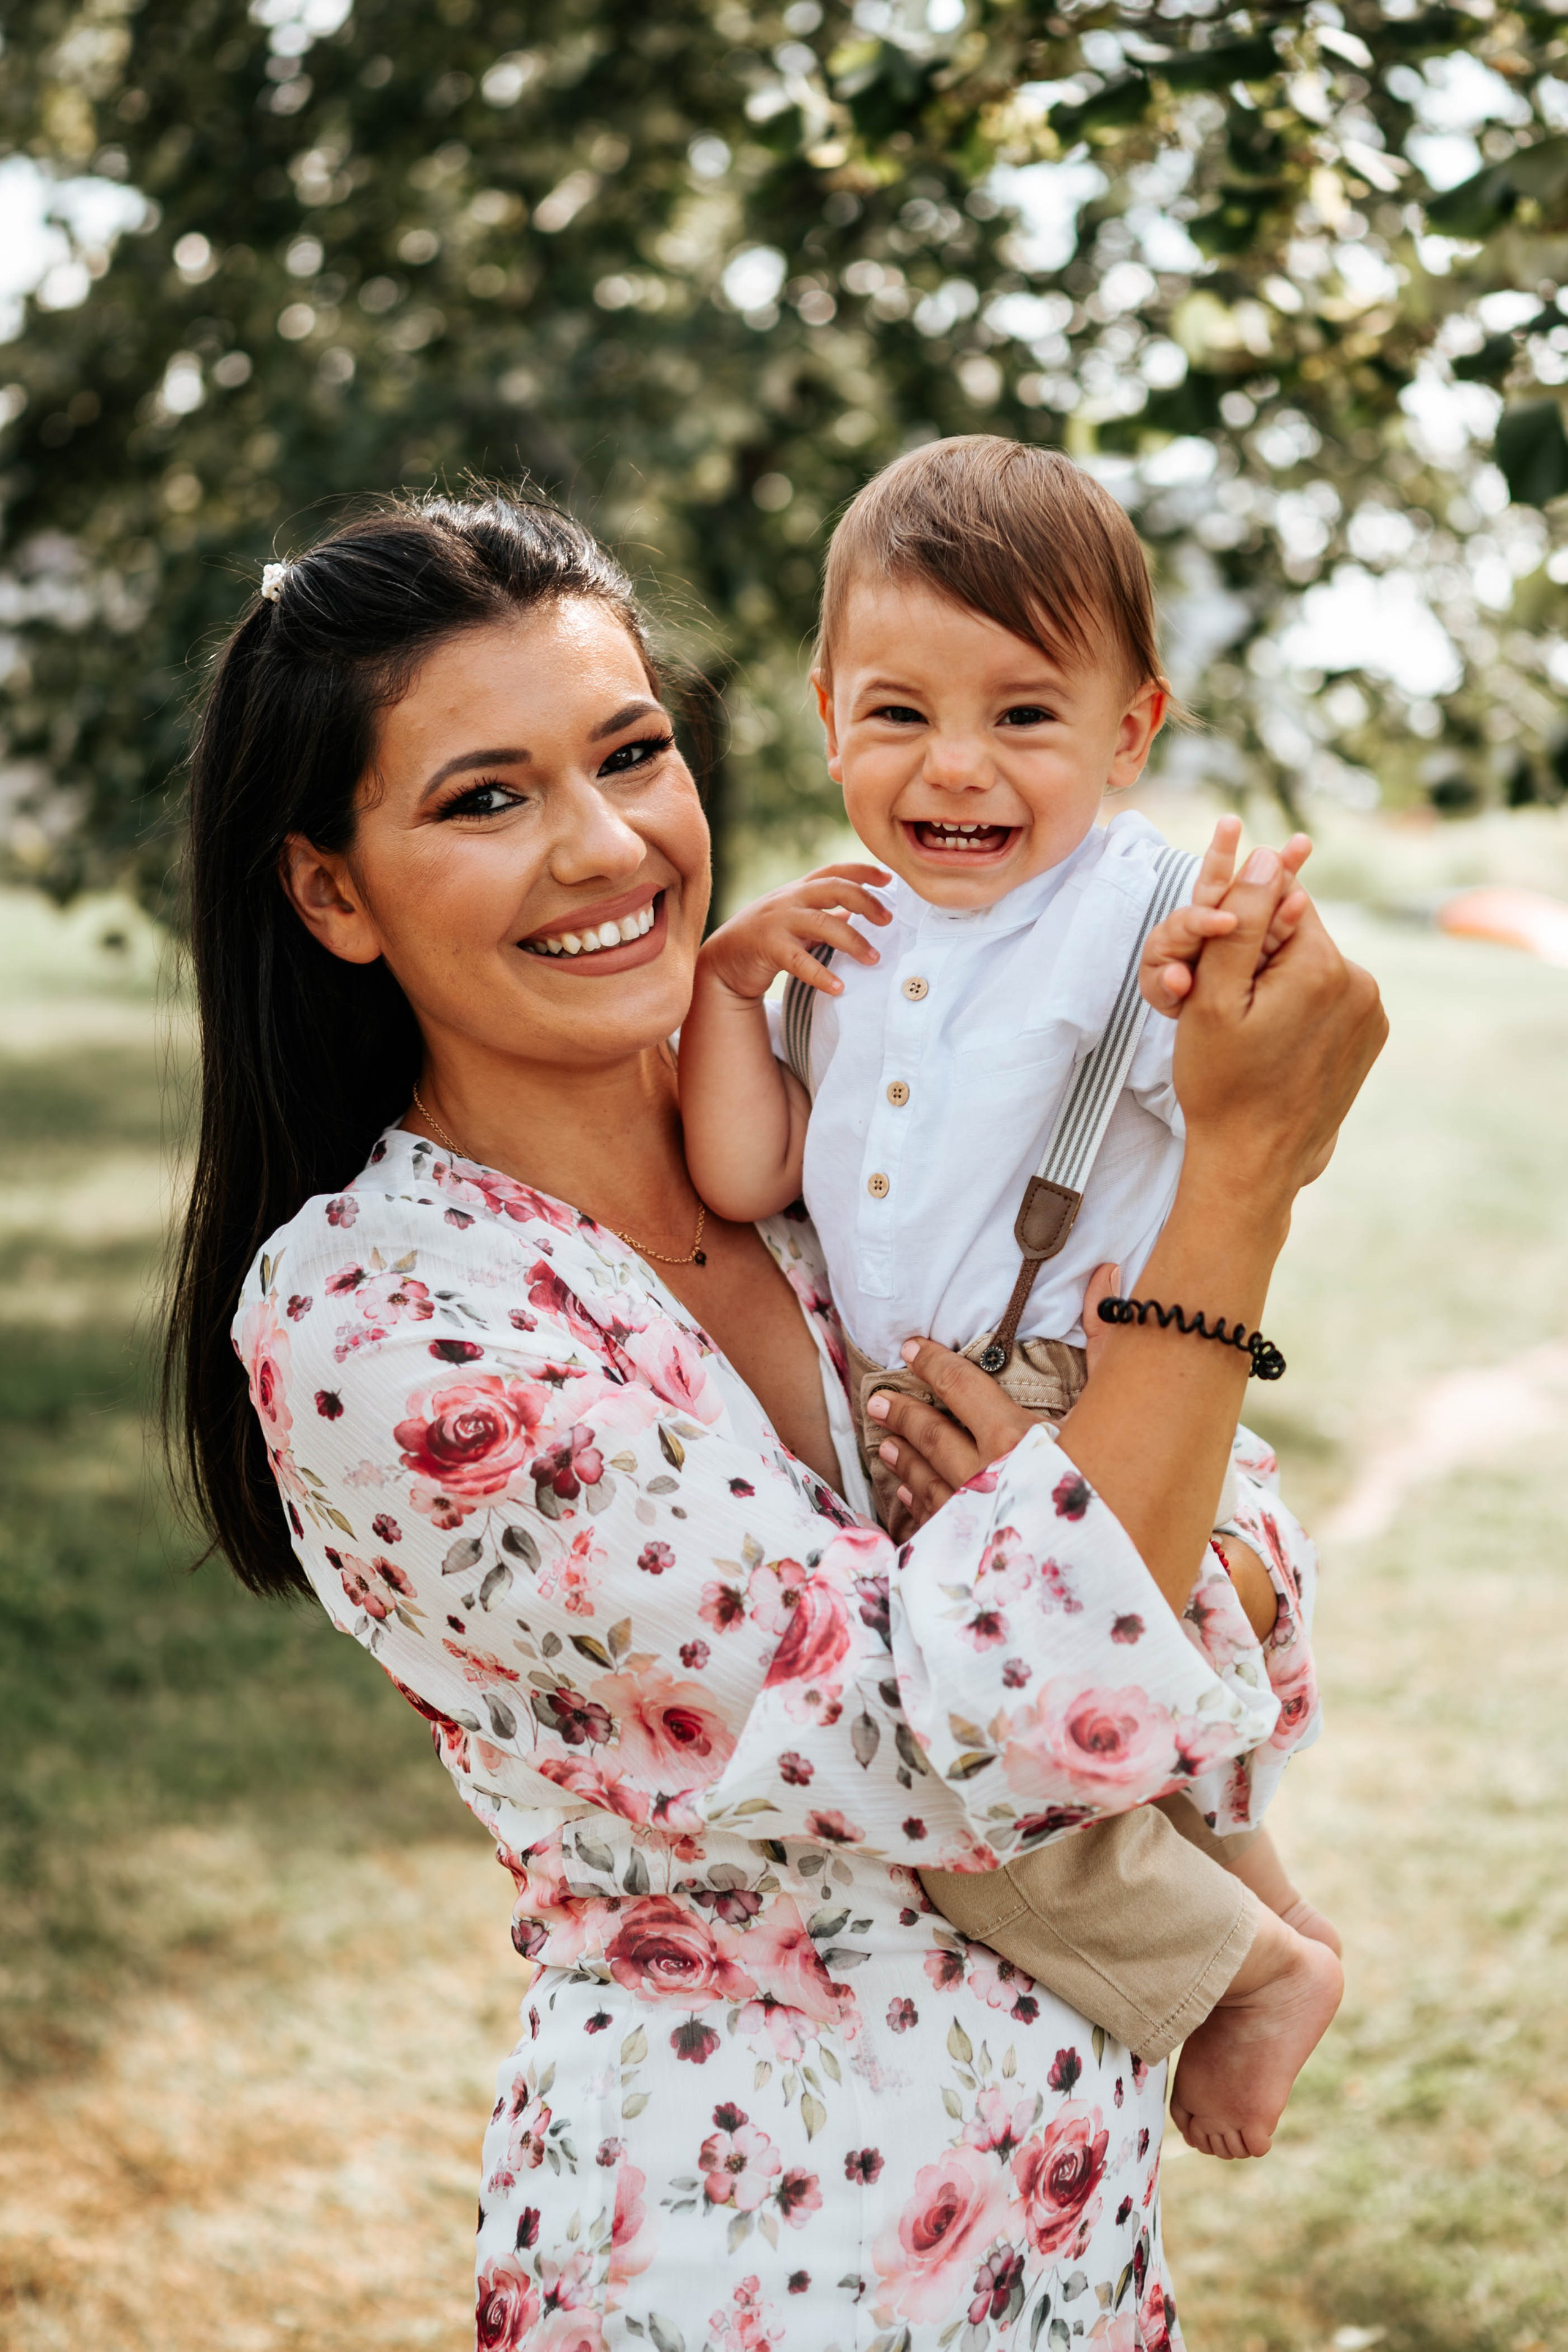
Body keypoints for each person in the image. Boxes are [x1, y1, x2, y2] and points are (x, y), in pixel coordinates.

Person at [166, 488, 1384, 2351]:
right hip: (755, 2255)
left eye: (632, 753)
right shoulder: (381, 1315)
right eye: (486, 798)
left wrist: (1111, 1522)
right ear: (333, 888)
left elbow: (1230, 1584)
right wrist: (1243, 1188)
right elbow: (962, 1728)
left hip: (1069, 2229)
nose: (607, 846)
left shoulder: (818, 1148)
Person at [677, 437, 1343, 2162]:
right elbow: (749, 1177)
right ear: (828, 714)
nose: (955, 765)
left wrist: (1239, 960)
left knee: (1008, 1756)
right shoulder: (838, 933)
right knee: (970, 1750)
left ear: (1132, 734)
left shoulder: (1134, 917)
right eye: (899, 714)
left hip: (1067, 1397)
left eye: (1026, 718)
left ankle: (1242, 1968)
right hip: (900, 1426)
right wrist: (723, 988)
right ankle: (1267, 1942)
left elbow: (1256, 1102)